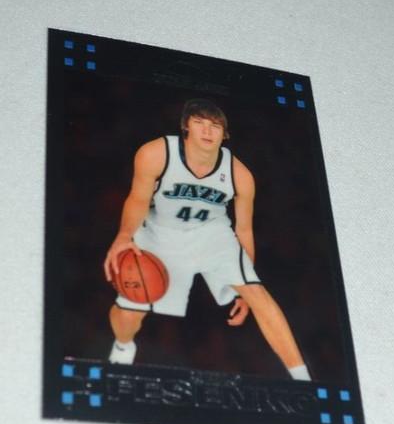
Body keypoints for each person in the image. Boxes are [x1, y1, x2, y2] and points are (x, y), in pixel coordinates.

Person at [104, 98, 311, 381]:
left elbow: (244, 231)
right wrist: (124, 236)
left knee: (258, 295)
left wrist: (244, 284)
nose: (207, 130)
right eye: (199, 122)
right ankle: (123, 346)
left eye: (215, 126)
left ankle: (302, 379)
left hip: (211, 233)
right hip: (160, 230)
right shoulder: (155, 153)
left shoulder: (240, 175)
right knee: (128, 316)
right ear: (185, 127)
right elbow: (138, 200)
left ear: (224, 135)